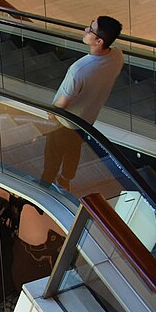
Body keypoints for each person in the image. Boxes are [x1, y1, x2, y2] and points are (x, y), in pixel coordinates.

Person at [41, 15, 124, 191]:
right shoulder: (117, 56)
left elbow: (61, 104)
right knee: (74, 148)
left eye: (90, 29)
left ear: (99, 41)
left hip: (65, 122)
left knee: (53, 154)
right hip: (87, 119)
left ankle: (45, 184)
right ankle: (65, 181)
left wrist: (51, 114)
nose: (86, 30)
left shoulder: (80, 69)